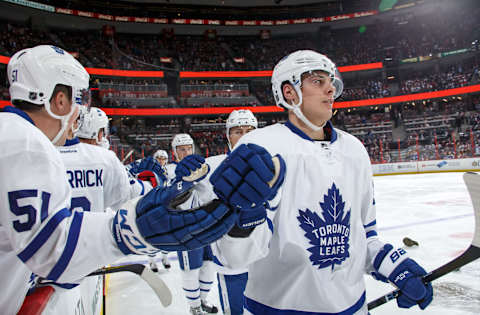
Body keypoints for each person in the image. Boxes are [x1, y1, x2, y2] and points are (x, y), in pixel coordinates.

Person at [0, 45, 238, 314]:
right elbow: (50, 250)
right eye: (79, 98)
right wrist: (130, 230)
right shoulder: (26, 143)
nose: (80, 111)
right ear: (60, 101)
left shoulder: (16, 136)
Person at [209, 50, 433, 314]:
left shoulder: (355, 149)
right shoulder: (260, 146)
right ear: (289, 92)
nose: (331, 89)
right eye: (318, 81)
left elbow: (365, 235)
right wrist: (240, 225)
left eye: (331, 81)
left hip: (354, 307)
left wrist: (392, 264)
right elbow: (233, 258)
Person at [192, 109, 258, 315]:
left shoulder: (274, 164)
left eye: (250, 130)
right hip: (233, 266)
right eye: (238, 131)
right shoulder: (210, 167)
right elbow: (189, 207)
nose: (245, 136)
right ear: (228, 136)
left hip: (267, 264)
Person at [168, 133, 219, 315]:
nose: (186, 151)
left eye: (188, 147)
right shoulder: (172, 171)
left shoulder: (201, 166)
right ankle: (194, 306)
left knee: (208, 264)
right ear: (175, 152)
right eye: (182, 149)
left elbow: (208, 194)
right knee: (191, 268)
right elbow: (173, 199)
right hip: (186, 228)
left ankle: (203, 300)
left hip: (205, 223)